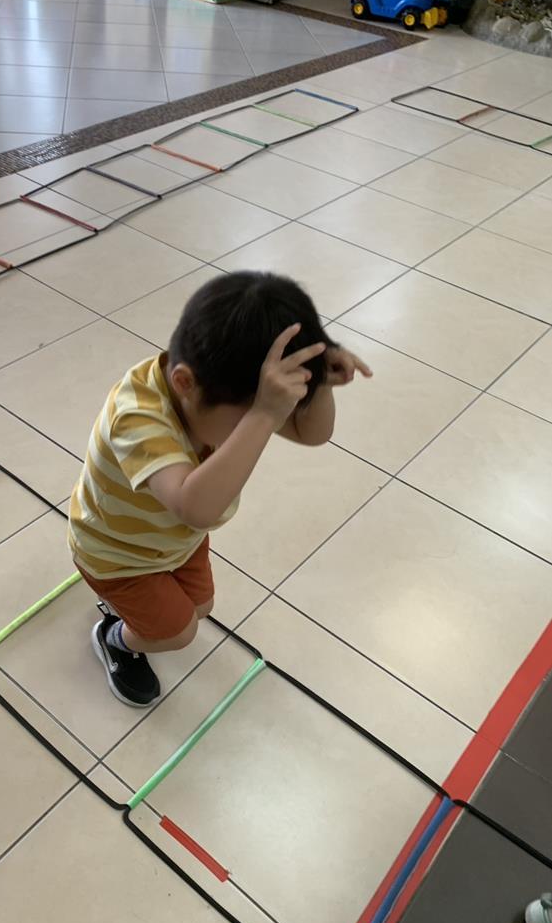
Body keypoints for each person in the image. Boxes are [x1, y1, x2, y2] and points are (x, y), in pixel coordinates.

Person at [68, 270, 372, 707]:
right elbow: (195, 508)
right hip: (117, 553)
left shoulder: (224, 383)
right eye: (245, 419)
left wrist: (319, 382)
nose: (253, 431)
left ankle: (137, 618)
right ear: (184, 384)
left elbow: (313, 433)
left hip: (173, 540)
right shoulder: (136, 417)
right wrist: (263, 415)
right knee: (178, 633)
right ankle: (114, 637)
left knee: (200, 607)